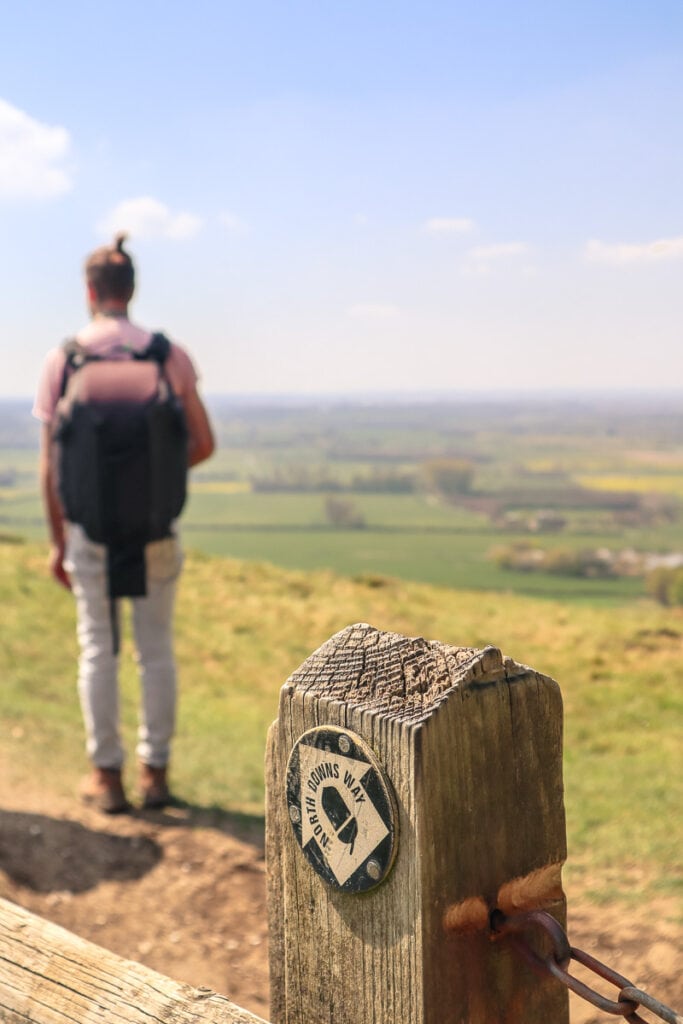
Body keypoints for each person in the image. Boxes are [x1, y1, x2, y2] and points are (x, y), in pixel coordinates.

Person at [33, 234, 215, 814]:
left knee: (98, 650)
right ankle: (155, 775)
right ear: (132, 289)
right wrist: (151, 478)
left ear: (89, 291)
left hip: (90, 531)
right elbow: (204, 443)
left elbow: (51, 466)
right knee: (155, 651)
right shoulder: (168, 355)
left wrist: (60, 541)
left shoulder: (65, 358)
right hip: (156, 528)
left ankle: (105, 778)